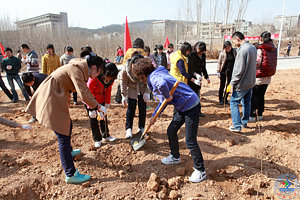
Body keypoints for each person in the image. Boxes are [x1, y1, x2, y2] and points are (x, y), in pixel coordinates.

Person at [25, 53, 107, 184]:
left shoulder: (79, 66)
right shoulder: (77, 70)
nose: (98, 75)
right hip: (51, 97)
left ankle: (69, 152)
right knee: (62, 134)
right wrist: (97, 106)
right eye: (99, 72)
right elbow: (83, 93)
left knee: (67, 126)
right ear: (93, 67)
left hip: (56, 95)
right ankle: (70, 173)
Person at [132, 58, 206, 183]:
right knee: (171, 130)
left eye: (140, 78)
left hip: (191, 105)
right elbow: (163, 102)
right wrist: (154, 115)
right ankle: (175, 156)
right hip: (182, 105)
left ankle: (200, 170)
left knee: (190, 140)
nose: (141, 81)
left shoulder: (154, 79)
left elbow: (162, 86)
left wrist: (168, 96)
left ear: (142, 75)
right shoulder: (158, 71)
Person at [227, 32, 257, 132]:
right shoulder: (252, 48)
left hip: (242, 83)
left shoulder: (243, 50)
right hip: (251, 82)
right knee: (246, 102)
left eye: (234, 41)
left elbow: (238, 70)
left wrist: (232, 83)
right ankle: (244, 122)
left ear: (238, 39)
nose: (234, 44)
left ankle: (237, 126)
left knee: (234, 102)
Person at [85, 62, 119, 147]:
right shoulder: (94, 78)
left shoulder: (111, 80)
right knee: (94, 118)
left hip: (101, 99)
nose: (108, 79)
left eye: (111, 78)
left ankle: (106, 135)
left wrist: (107, 102)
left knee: (103, 117)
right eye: (108, 76)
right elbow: (87, 92)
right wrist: (91, 108)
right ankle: (97, 139)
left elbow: (108, 90)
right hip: (90, 99)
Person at [120, 53, 151, 138]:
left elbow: (150, 79)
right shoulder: (126, 69)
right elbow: (123, 81)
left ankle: (141, 128)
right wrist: (124, 95)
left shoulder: (146, 67)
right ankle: (128, 129)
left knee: (142, 108)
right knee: (131, 108)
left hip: (142, 88)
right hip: (132, 88)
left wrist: (148, 92)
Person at [250, 31, 277, 121]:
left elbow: (257, 63)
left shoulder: (260, 50)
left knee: (254, 96)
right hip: (268, 76)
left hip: (259, 76)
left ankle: (252, 115)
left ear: (261, 39)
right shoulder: (274, 49)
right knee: (262, 96)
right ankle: (260, 114)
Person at [188, 42, 210, 117]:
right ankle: (190, 111)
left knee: (197, 94)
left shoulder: (203, 56)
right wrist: (194, 75)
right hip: (191, 77)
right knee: (191, 94)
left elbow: (203, 67)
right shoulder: (192, 55)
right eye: (199, 50)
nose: (200, 52)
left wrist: (206, 76)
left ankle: (198, 111)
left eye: (202, 51)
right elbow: (189, 68)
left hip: (199, 77)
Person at [217, 41, 237, 105]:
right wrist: (218, 71)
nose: (228, 49)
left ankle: (225, 98)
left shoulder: (234, 52)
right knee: (222, 85)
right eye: (226, 48)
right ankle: (220, 99)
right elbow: (219, 62)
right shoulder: (222, 53)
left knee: (229, 85)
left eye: (229, 47)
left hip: (231, 71)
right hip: (223, 71)